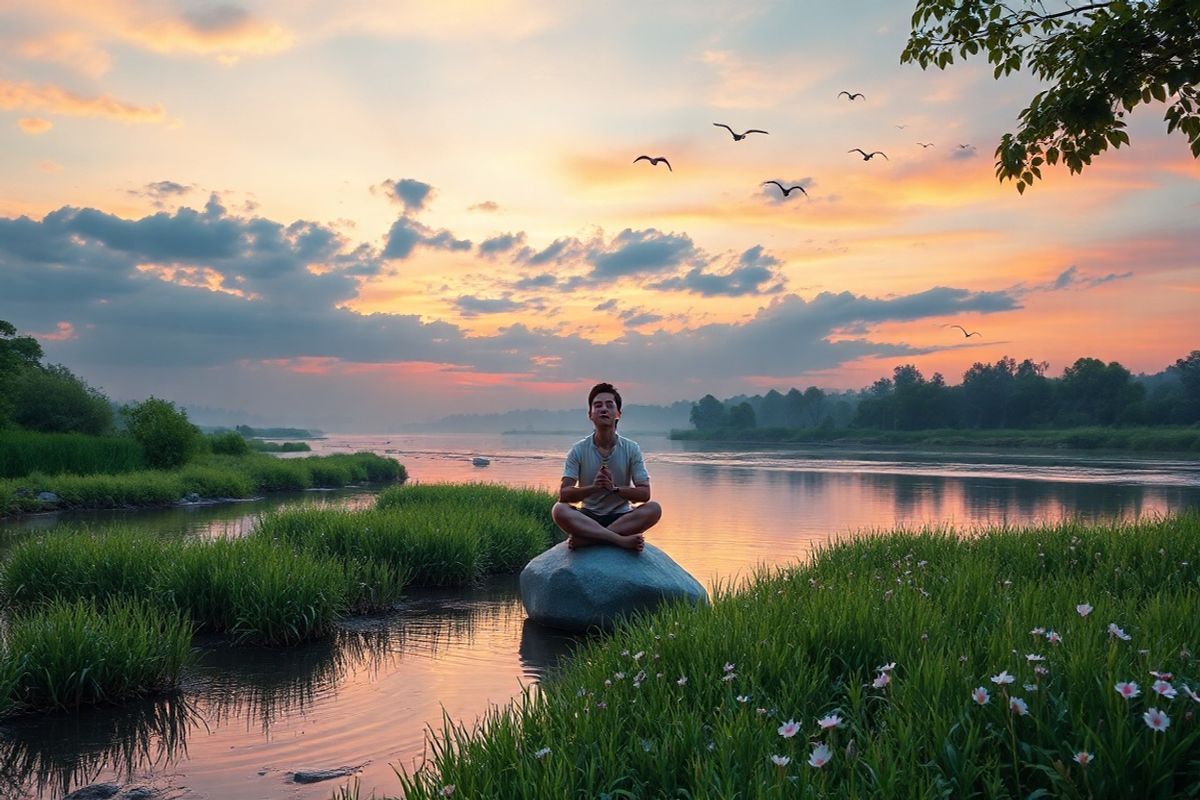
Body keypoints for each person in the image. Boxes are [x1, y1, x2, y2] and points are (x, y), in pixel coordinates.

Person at [551, 382, 662, 552]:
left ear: (618, 414)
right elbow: (564, 494)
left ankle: (589, 541)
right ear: (590, 414)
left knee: (654, 509)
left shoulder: (631, 448)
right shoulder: (578, 450)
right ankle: (617, 539)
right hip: (589, 517)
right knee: (559, 510)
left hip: (622, 517)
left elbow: (644, 494)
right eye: (598, 405)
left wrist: (614, 489)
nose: (604, 409)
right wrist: (594, 488)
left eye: (609, 405)